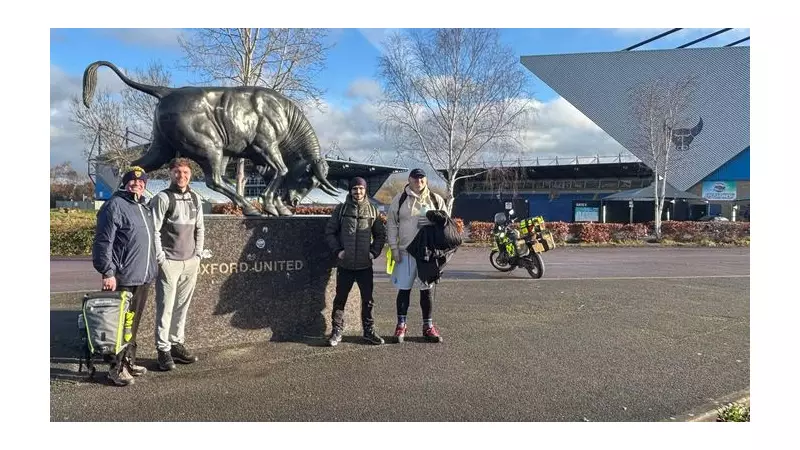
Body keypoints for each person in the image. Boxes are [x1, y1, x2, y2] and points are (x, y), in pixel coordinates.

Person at [92, 166, 158, 386]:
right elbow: (103, 242)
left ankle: (129, 361)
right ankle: (115, 368)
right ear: (125, 183)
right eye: (132, 181)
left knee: (132, 324)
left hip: (143, 276)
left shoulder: (144, 206)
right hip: (123, 277)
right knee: (118, 325)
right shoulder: (114, 206)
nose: (137, 184)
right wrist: (107, 272)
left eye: (141, 182)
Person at [150, 158, 205, 371]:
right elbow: (154, 230)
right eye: (177, 172)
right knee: (166, 308)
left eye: (185, 172)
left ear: (190, 174)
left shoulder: (195, 198)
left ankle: (176, 344)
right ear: (170, 174)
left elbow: (200, 228)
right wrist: (160, 258)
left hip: (190, 261)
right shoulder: (163, 198)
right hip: (170, 262)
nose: (181, 176)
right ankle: (163, 349)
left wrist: (198, 255)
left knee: (182, 307)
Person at [386, 168, 449, 343]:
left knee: (426, 291)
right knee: (404, 290)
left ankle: (428, 327)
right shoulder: (400, 199)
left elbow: (446, 223)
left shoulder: (436, 199)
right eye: (415, 178)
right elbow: (391, 224)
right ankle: (401, 325)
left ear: (426, 180)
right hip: (405, 252)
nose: (418, 181)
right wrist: (393, 248)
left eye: (421, 178)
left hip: (427, 254)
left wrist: (432, 220)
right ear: (409, 179)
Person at [324, 177, 387, 346]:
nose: (357, 192)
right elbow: (330, 232)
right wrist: (338, 251)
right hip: (345, 265)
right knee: (340, 300)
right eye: (354, 189)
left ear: (365, 190)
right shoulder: (341, 209)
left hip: (365, 266)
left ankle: (368, 331)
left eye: (360, 188)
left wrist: (374, 252)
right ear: (350, 191)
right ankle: (337, 331)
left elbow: (381, 235)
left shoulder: (373, 210)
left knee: (368, 300)